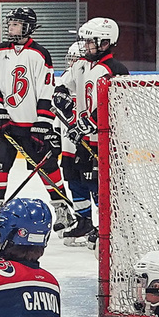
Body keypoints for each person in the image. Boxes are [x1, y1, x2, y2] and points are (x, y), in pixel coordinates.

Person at [0, 9, 58, 215]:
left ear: (28, 27)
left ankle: (61, 208)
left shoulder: (39, 54)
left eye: (16, 24)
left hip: (32, 126)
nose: (11, 27)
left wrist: (43, 123)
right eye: (10, 23)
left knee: (47, 166)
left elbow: (46, 90)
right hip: (5, 124)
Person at [55, 17, 122, 245]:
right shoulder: (81, 65)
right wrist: (61, 94)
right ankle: (84, 222)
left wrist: (86, 125)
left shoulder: (115, 70)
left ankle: (107, 228)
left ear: (105, 42)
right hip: (84, 139)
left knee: (99, 186)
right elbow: (64, 84)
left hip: (104, 140)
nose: (86, 46)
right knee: (77, 180)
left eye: (90, 42)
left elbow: (115, 105)